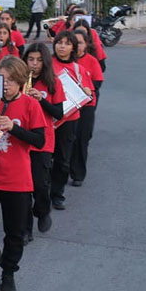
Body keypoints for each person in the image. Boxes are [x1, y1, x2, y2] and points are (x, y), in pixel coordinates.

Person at [0, 56, 47, 291]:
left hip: (17, 178)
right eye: (1, 79)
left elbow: (39, 140)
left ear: (20, 81)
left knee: (15, 231)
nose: (5, 85)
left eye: (10, 80)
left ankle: (8, 272)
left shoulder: (30, 105)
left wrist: (14, 128)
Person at [22, 43, 62, 239]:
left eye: (38, 60)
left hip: (43, 141)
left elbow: (59, 113)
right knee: (23, 188)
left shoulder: (53, 82)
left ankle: (43, 210)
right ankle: (25, 229)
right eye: (30, 60)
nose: (34, 64)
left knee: (39, 184)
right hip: (21, 140)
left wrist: (41, 100)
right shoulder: (18, 81)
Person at [48, 32, 89, 211]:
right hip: (47, 117)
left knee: (63, 159)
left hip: (69, 119)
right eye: (59, 42)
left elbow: (88, 94)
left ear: (73, 47)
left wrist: (87, 92)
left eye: (66, 43)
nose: (62, 46)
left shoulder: (78, 69)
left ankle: (57, 194)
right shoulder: (46, 64)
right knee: (43, 158)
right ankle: (41, 191)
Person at [69, 29, 103, 187]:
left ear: (86, 44)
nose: (77, 46)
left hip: (86, 105)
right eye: (73, 43)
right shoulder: (64, 61)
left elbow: (97, 83)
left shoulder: (91, 60)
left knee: (82, 139)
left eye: (80, 42)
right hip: (67, 105)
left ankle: (78, 173)